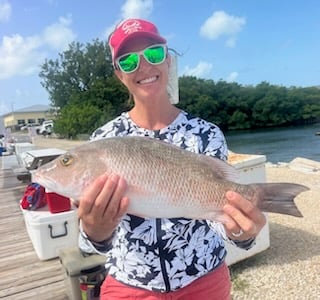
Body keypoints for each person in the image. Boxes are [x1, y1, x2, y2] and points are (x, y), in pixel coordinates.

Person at [78, 18, 266, 300]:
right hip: (129, 284)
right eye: (128, 61)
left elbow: (220, 221)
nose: (143, 66)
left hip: (204, 280)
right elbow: (90, 245)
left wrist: (243, 233)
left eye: (154, 54)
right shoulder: (104, 139)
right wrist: (94, 231)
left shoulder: (205, 134)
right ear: (118, 74)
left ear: (168, 61)